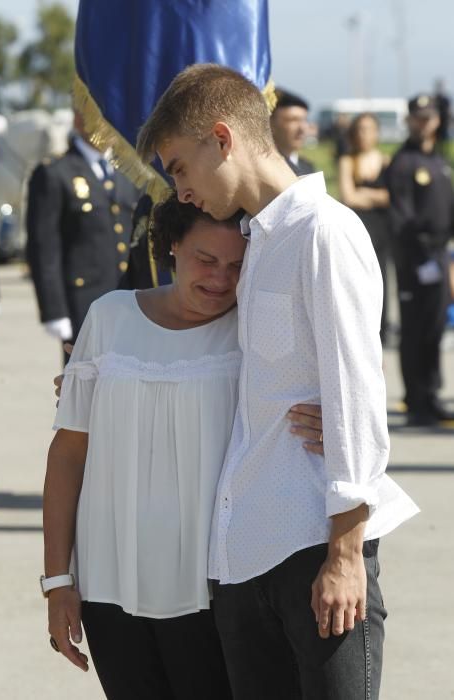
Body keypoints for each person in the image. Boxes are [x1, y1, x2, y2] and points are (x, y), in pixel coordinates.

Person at [137, 63, 419, 700]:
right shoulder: (258, 242)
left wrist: (345, 555)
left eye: (179, 166)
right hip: (244, 556)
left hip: (312, 550)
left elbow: (357, 391)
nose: (178, 191)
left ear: (220, 137)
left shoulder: (323, 231)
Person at [42, 191, 324, 700]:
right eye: (206, 259)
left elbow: (323, 400)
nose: (220, 279)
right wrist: (57, 581)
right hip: (110, 583)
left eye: (238, 266)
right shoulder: (108, 317)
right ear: (172, 246)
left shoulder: (255, 333)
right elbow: (67, 456)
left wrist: (338, 421)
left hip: (217, 590)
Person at [26, 112, 140, 363]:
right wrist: (53, 309)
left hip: (129, 299)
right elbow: (44, 247)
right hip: (82, 302)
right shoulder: (55, 173)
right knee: (84, 386)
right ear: (80, 118)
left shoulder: (127, 173)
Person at [386, 94, 454, 426]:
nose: (424, 123)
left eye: (429, 117)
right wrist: (421, 260)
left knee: (435, 329)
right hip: (416, 261)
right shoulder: (403, 162)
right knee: (415, 330)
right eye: (418, 117)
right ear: (410, 120)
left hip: (440, 255)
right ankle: (416, 400)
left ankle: (431, 394)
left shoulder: (438, 160)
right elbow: (401, 219)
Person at [338, 113, 390, 343]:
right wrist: (377, 196)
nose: (364, 134)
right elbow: (348, 197)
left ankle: (384, 326)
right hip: (359, 226)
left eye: (369, 129)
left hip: (382, 227)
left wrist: (366, 194)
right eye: (359, 129)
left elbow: (393, 197)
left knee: (383, 276)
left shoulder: (386, 161)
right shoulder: (347, 160)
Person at [270, 89, 314, 176]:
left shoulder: (307, 166)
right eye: (293, 120)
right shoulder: (267, 168)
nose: (302, 128)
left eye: (305, 120)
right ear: (271, 124)